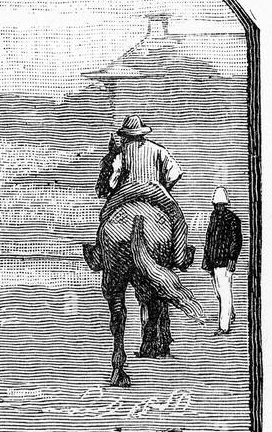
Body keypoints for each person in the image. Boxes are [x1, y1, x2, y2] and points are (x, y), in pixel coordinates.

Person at [84, 115, 191, 271]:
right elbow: (174, 174)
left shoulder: (120, 153)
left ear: (125, 135)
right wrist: (163, 187)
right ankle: (180, 257)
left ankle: (99, 255)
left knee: (105, 217)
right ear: (142, 134)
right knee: (178, 220)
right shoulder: (158, 150)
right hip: (156, 191)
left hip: (125, 193)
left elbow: (112, 181)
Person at [203, 187, 242, 335]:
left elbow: (236, 241)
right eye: (216, 204)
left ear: (225, 204)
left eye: (220, 204)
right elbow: (209, 240)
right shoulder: (213, 217)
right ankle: (230, 314)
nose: (218, 207)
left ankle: (224, 327)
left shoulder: (233, 219)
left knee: (224, 293)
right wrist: (206, 262)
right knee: (219, 293)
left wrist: (232, 258)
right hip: (213, 261)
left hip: (225, 262)